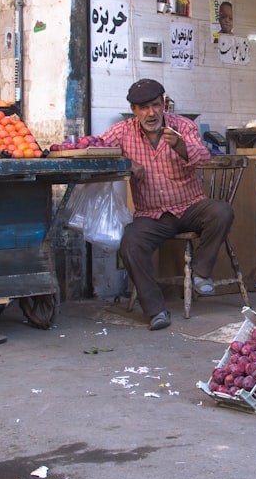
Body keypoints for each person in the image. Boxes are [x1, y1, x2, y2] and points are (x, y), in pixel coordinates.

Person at [99, 78, 234, 330]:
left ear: (164, 105)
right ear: (134, 110)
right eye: (143, 108)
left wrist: (181, 146)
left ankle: (201, 272)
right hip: (151, 215)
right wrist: (126, 164)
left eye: (155, 105)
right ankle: (155, 310)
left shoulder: (182, 126)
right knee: (130, 243)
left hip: (190, 206)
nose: (151, 113)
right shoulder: (123, 131)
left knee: (222, 211)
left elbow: (204, 156)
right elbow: (97, 149)